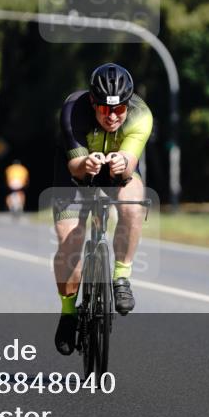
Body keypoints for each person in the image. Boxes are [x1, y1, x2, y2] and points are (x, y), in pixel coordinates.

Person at [52, 63, 153, 356]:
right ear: (93, 103)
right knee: (70, 243)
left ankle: (121, 277)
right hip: (74, 171)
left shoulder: (141, 115)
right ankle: (68, 313)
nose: (112, 116)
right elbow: (74, 166)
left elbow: (129, 166)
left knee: (134, 205)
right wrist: (87, 164)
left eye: (119, 109)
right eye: (105, 110)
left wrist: (122, 163)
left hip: (116, 168)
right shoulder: (73, 109)